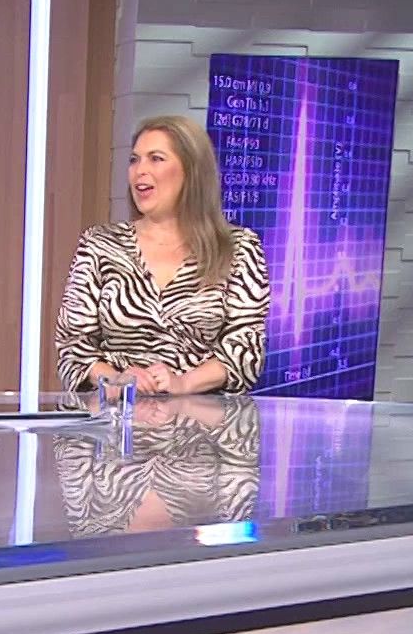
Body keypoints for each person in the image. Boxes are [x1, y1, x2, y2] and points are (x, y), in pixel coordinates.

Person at [55, 114, 270, 396]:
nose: (139, 171)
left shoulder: (238, 248)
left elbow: (246, 347)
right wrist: (116, 379)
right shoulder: (99, 245)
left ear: (191, 171)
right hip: (116, 417)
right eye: (134, 160)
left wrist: (184, 383)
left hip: (201, 417)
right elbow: (72, 345)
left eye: (156, 159)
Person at [55, 395, 260, 538]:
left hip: (115, 386)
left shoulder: (88, 527)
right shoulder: (221, 527)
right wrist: (183, 402)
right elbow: (243, 428)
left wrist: (118, 408)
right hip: (198, 391)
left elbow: (69, 416)